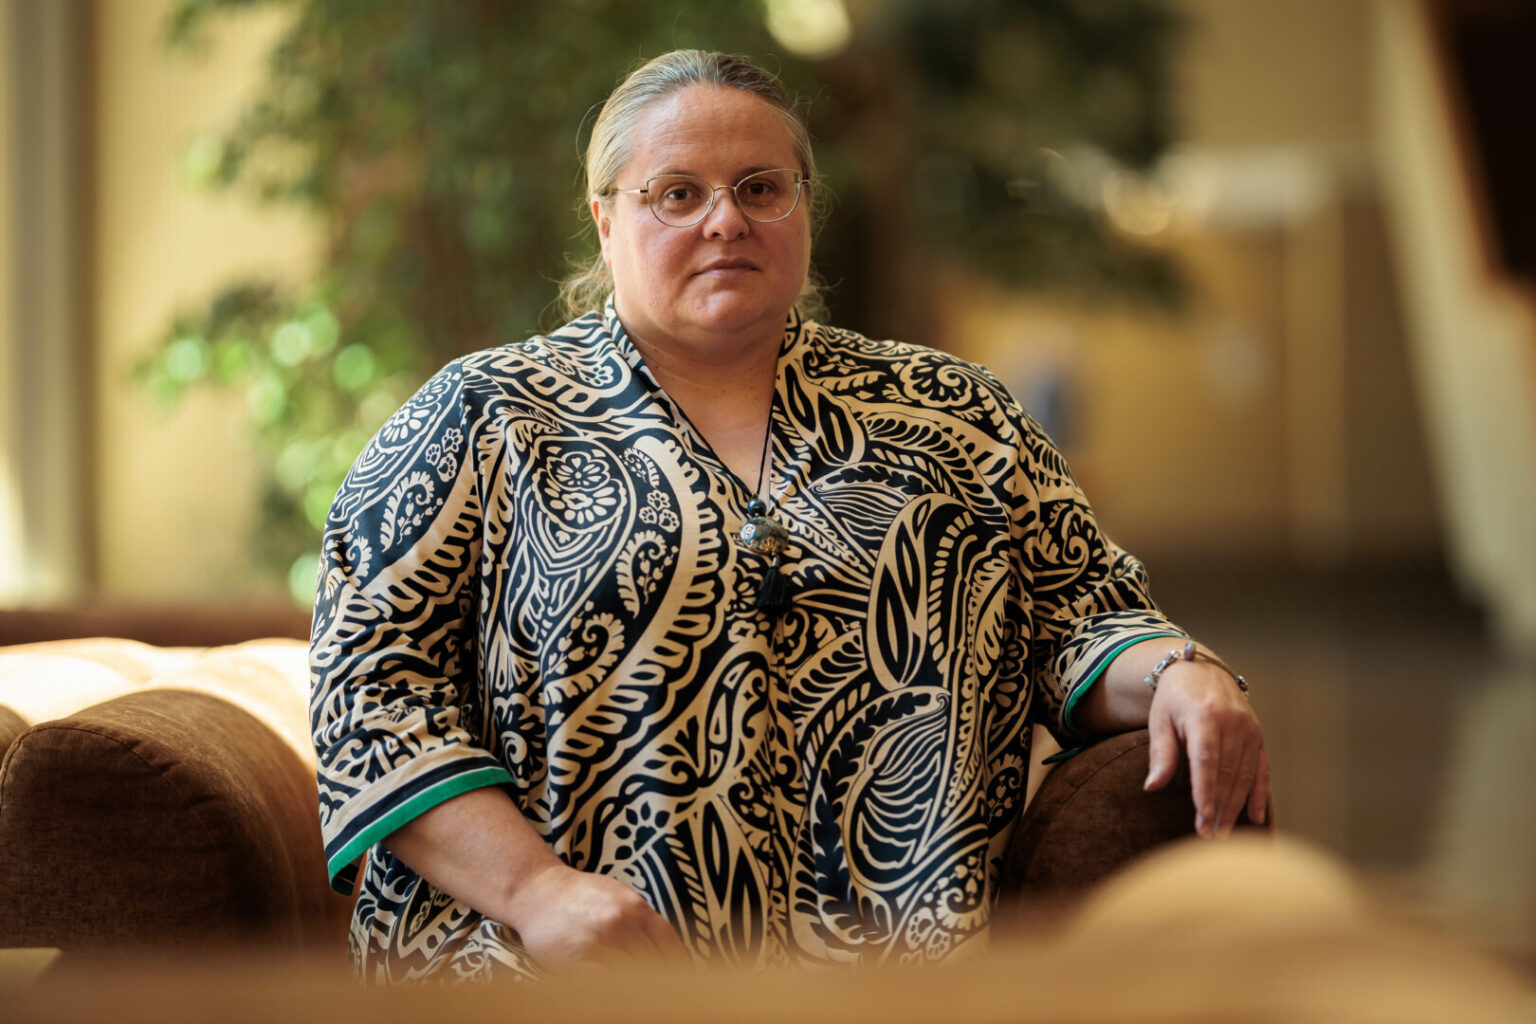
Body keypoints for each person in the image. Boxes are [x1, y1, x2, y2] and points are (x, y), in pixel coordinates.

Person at [309, 49, 1269, 982]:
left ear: (805, 207)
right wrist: (537, 892)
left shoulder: (954, 414)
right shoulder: (481, 418)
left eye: (761, 188)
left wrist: (1181, 671)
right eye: (676, 193)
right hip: (550, 977)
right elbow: (371, 694)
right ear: (605, 222)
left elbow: (1084, 615)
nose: (725, 219)